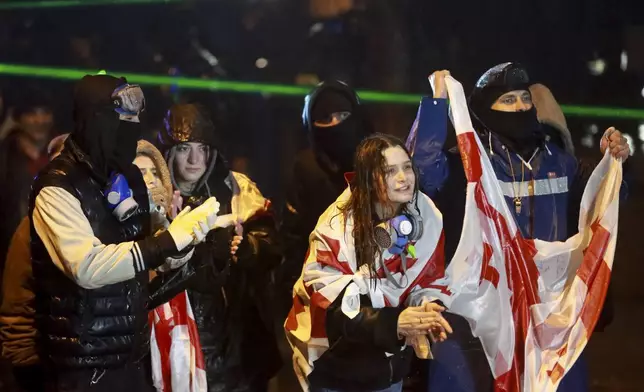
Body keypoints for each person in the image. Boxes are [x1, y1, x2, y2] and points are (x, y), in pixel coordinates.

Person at [407, 64, 630, 392]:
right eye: (508, 100)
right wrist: (437, 103)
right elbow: (422, 176)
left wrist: (618, 161)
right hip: (479, 321)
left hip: (548, 318)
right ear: (485, 110)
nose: (521, 107)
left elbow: (610, 201)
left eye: (525, 98)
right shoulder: (468, 165)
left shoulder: (561, 163)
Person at [29, 75, 232, 391]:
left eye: (137, 118)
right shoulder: (58, 186)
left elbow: (147, 263)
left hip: (130, 358)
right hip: (81, 366)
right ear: (96, 119)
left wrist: (192, 243)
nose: (132, 128)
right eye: (123, 119)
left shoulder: (126, 177)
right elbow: (87, 266)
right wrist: (168, 240)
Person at [286, 133, 453, 392]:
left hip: (389, 371)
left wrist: (428, 307)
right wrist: (394, 323)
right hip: (338, 372)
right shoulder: (336, 229)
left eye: (407, 167)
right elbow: (332, 310)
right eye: (390, 171)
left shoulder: (424, 214)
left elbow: (427, 277)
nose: (403, 178)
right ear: (369, 180)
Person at [150, 103, 282, 392]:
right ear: (169, 153)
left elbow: (272, 246)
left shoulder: (237, 190)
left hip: (236, 341)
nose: (195, 160)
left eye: (202, 148)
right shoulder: (151, 195)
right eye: (185, 149)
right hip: (175, 336)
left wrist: (248, 248)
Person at [279, 80, 372, 315]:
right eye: (325, 119)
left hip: (381, 292)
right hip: (323, 297)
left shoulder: (381, 162)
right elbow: (292, 239)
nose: (335, 125)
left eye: (342, 115)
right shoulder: (306, 168)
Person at [0, 134, 67, 392]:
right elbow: (17, 310)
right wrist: (29, 370)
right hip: (49, 372)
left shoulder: (111, 226)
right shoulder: (31, 229)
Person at [0, 97, 54, 282]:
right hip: (10, 249)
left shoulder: (61, 155)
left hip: (52, 251)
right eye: (32, 114)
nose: (40, 121)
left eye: (44, 113)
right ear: (19, 118)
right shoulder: (6, 158)